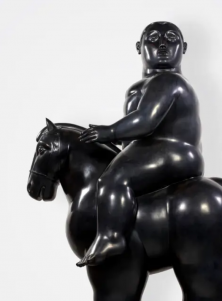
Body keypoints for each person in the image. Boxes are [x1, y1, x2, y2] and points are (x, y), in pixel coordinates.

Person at [76, 21, 205, 267]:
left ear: (184, 48)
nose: (163, 45)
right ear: (139, 47)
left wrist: (109, 132)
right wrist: (119, 150)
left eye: (171, 39)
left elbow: (146, 121)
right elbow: (133, 137)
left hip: (174, 151)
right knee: (115, 169)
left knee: (113, 179)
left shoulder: (169, 81)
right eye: (153, 39)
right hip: (154, 150)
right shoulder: (142, 86)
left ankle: (112, 237)